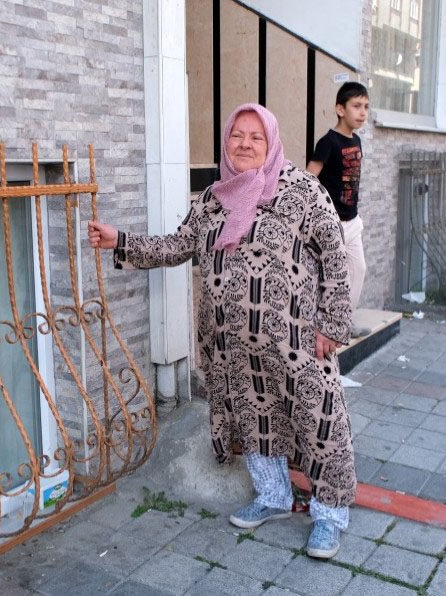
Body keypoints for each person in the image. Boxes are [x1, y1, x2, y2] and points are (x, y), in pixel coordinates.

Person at [88, 104, 356, 559]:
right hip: (231, 345)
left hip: (295, 342)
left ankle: (329, 514)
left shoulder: (303, 191)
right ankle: (273, 496)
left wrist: (332, 324)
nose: (245, 144)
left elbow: (334, 256)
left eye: (256, 136)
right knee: (254, 420)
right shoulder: (214, 198)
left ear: (271, 142)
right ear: (226, 141)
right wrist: (122, 240)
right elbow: (178, 245)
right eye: (237, 135)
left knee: (319, 419)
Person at [307, 82, 370, 338]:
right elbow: (308, 179)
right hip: (332, 224)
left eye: (366, 106)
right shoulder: (328, 142)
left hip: (352, 220)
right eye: (356, 106)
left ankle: (343, 323)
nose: (363, 112)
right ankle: (319, 326)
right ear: (340, 109)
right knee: (329, 276)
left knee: (359, 269)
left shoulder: (357, 140)